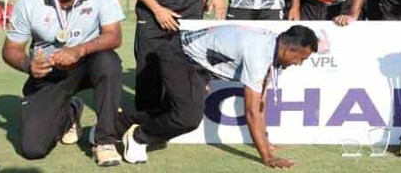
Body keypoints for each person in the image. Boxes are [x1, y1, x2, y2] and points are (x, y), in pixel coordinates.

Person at [121, 24, 318, 168]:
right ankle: (139, 137)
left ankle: (115, 123)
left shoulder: (275, 52)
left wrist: (265, 139)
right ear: (289, 49)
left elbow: (260, 102)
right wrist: (266, 156)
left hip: (197, 65)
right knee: (187, 117)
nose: (299, 63)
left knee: (177, 110)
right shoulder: (260, 52)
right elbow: (251, 112)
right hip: (178, 54)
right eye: (301, 58)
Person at [2, 0, 126, 166]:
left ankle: (105, 140)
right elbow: (11, 49)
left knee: (109, 61)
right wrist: (28, 65)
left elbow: (114, 36)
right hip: (50, 72)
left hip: (88, 62)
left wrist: (79, 50)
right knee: (33, 149)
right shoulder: (28, 2)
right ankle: (70, 111)